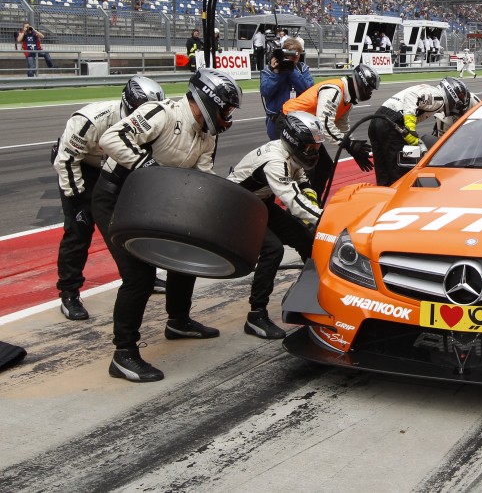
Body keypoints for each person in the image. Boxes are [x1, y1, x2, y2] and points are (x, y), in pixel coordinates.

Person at [92, 68, 243, 382]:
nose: (228, 115)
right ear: (209, 100)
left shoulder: (207, 136)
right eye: (226, 108)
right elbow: (111, 137)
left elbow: (201, 177)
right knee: (139, 276)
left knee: (186, 251)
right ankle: (123, 354)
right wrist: (147, 168)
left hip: (157, 199)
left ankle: (178, 320)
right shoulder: (160, 113)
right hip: (115, 196)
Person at [52, 76, 165, 320]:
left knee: (134, 223)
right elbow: (66, 160)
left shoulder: (153, 120)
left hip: (115, 167)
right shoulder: (90, 120)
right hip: (79, 167)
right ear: (129, 103)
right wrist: (77, 200)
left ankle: (145, 274)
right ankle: (69, 293)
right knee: (79, 227)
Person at [227, 112, 324, 340]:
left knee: (306, 239)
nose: (313, 153)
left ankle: (317, 293)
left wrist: (313, 202)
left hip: (260, 202)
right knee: (273, 250)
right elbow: (292, 200)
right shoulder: (274, 160)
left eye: (316, 148)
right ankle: (256, 314)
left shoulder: (288, 153)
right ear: (294, 141)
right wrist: (324, 218)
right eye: (309, 148)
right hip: (235, 206)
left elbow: (300, 178)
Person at [283, 64, 380, 191]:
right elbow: (324, 123)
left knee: (325, 167)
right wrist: (349, 144)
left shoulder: (348, 100)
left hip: (306, 130)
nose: (369, 94)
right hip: (289, 123)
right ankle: (300, 206)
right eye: (369, 89)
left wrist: (353, 150)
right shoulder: (334, 91)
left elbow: (342, 126)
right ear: (361, 83)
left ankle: (315, 203)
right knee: (306, 168)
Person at [369, 77, 472, 186]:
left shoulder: (429, 89)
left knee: (383, 174)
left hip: (376, 121)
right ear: (453, 93)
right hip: (391, 124)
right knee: (400, 173)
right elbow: (411, 97)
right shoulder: (439, 98)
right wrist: (410, 127)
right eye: (460, 97)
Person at [260, 36, 314, 140]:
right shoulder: (269, 70)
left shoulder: (302, 69)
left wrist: (292, 70)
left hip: (298, 120)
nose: (292, 58)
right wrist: (276, 73)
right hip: (275, 119)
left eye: (295, 55)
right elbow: (265, 91)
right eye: (289, 55)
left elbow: (309, 90)